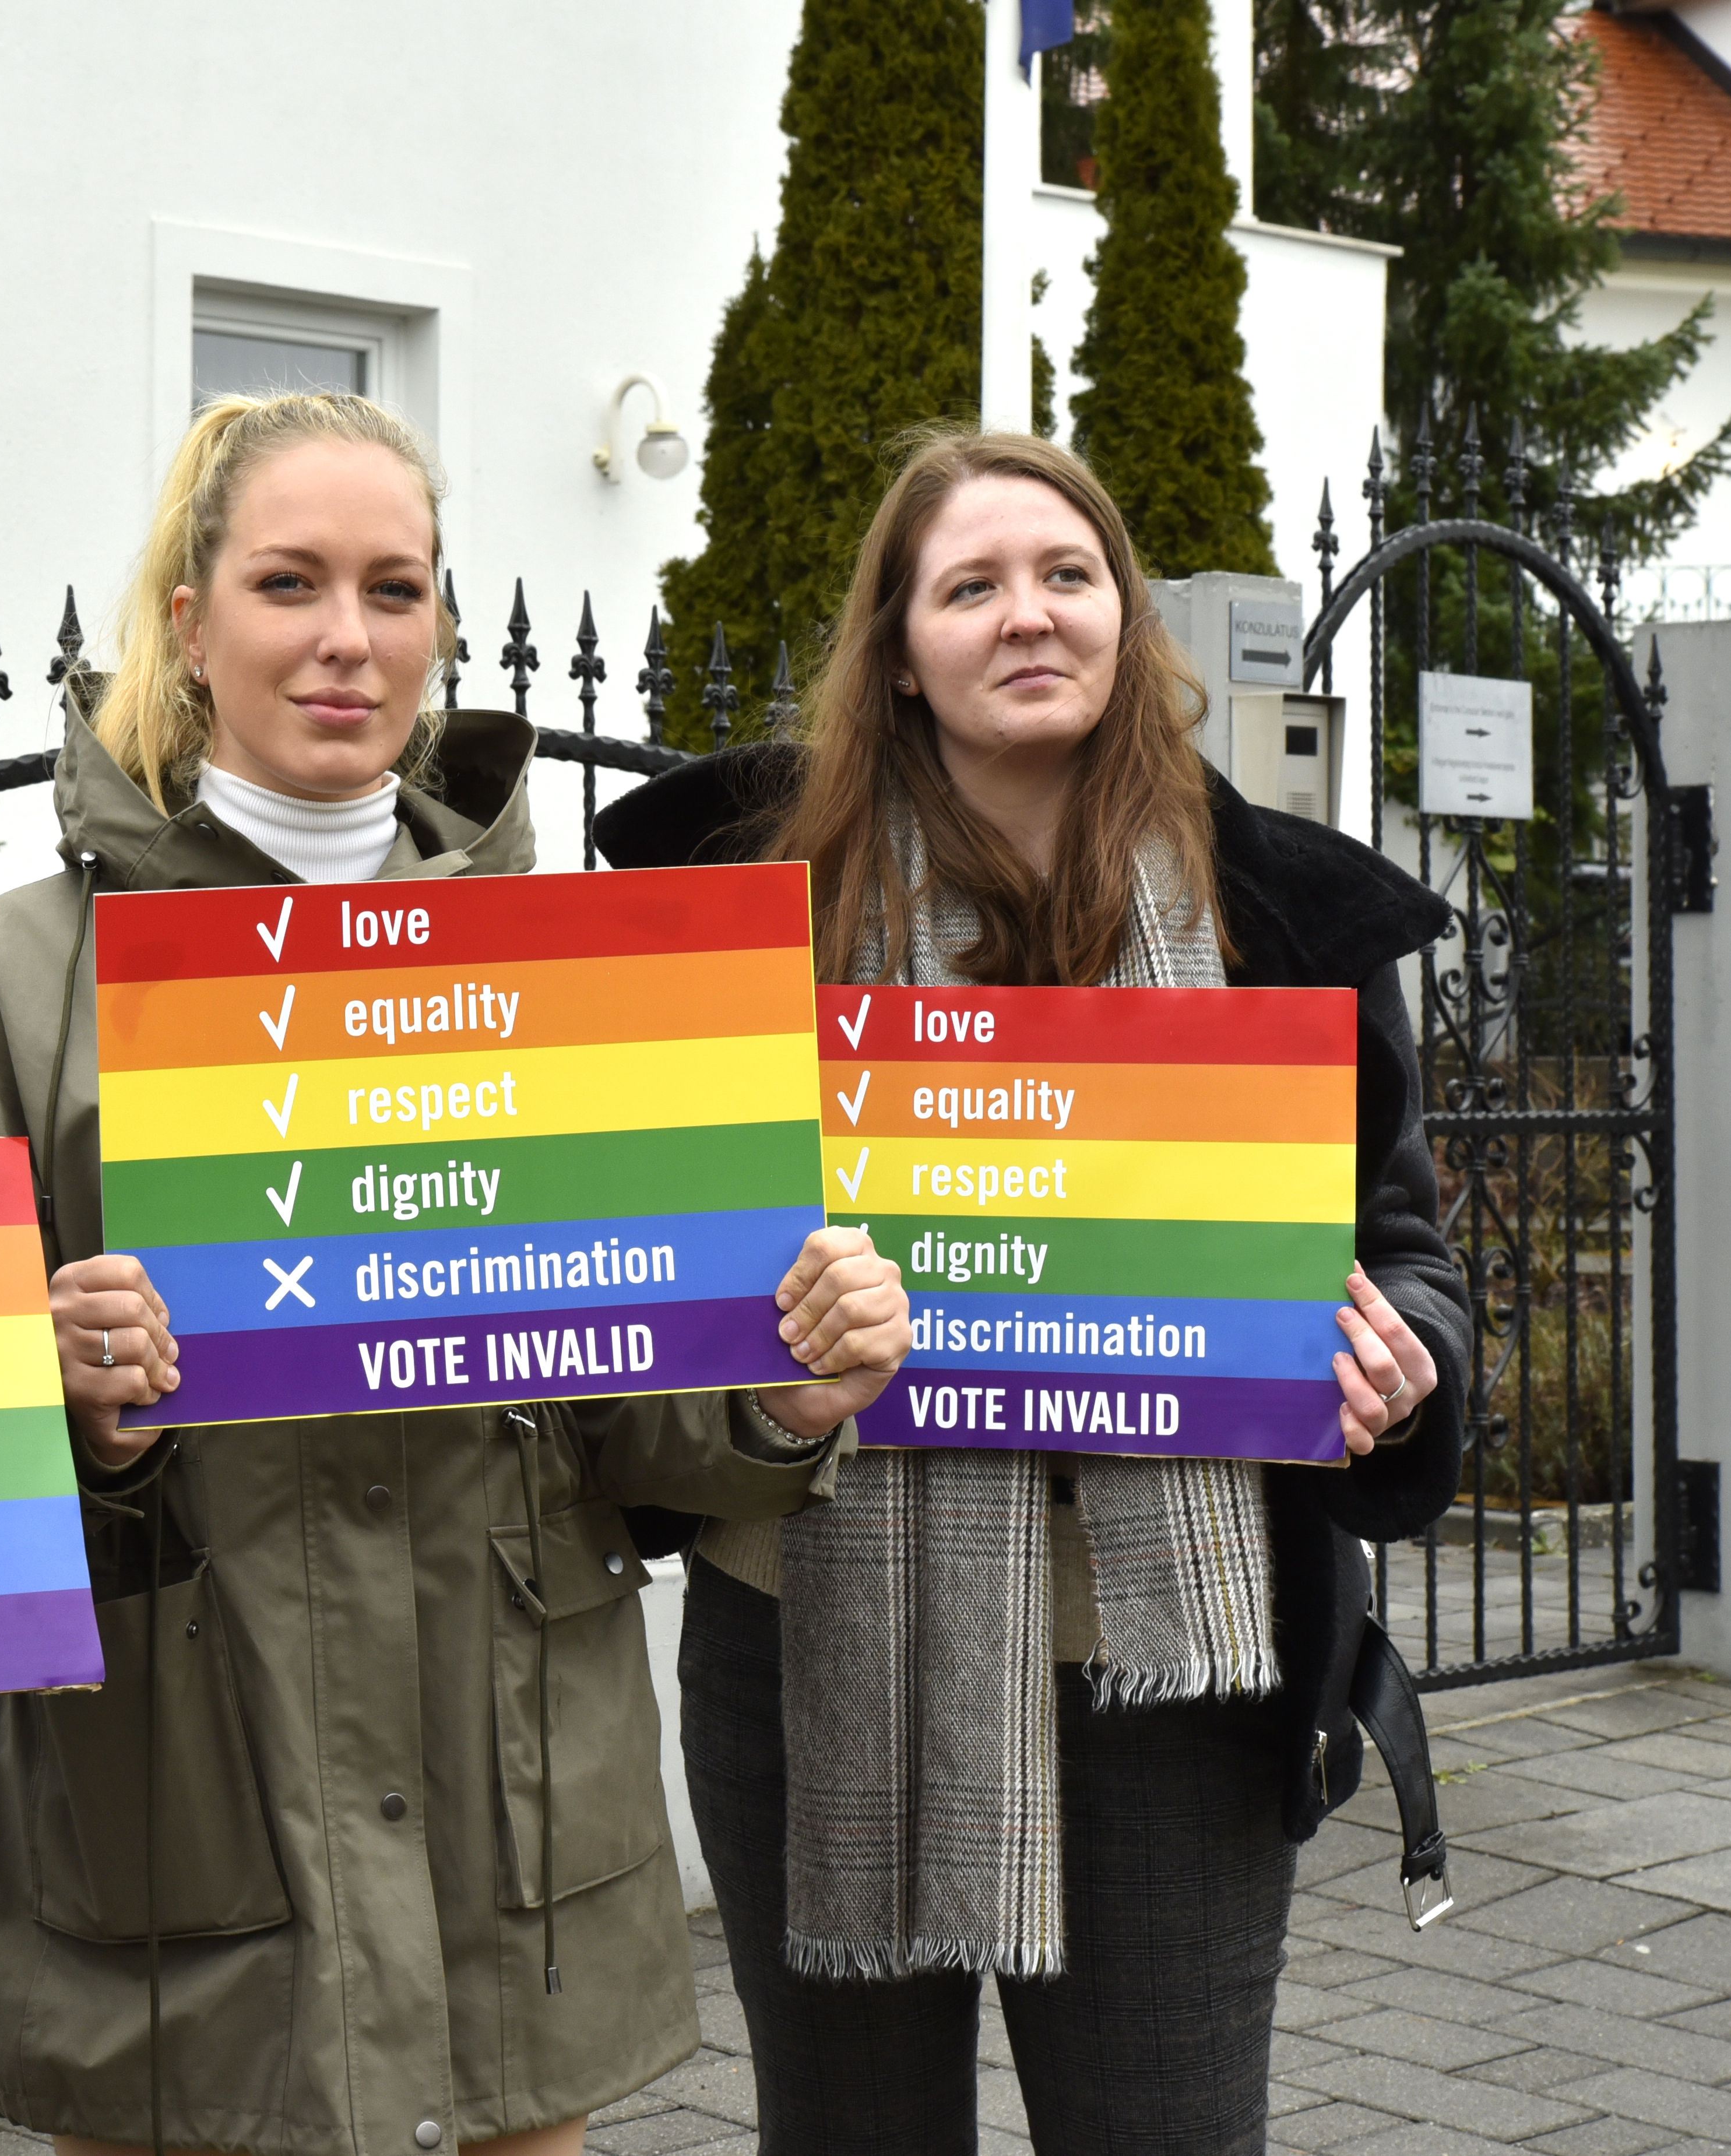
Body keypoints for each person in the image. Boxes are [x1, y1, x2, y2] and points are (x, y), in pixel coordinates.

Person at [0, 391, 911, 2156]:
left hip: (506, 1839)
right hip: (183, 1852)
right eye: (290, 582)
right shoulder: (13, 980)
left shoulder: (570, 975)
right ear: (189, 623)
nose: (349, 639)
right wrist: (62, 1407)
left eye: (395, 587)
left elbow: (637, 1426)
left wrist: (782, 1394)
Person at [596, 427, 1469, 2156]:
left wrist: (1408, 1355)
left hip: (1175, 1680)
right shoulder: (753, 923)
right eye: (972, 585)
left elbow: (1404, 1245)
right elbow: (644, 1303)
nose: (1028, 615)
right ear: (900, 649)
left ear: (1127, 622)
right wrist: (771, 1384)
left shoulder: (1274, 923)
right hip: (816, 1645)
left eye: (1069, 575)